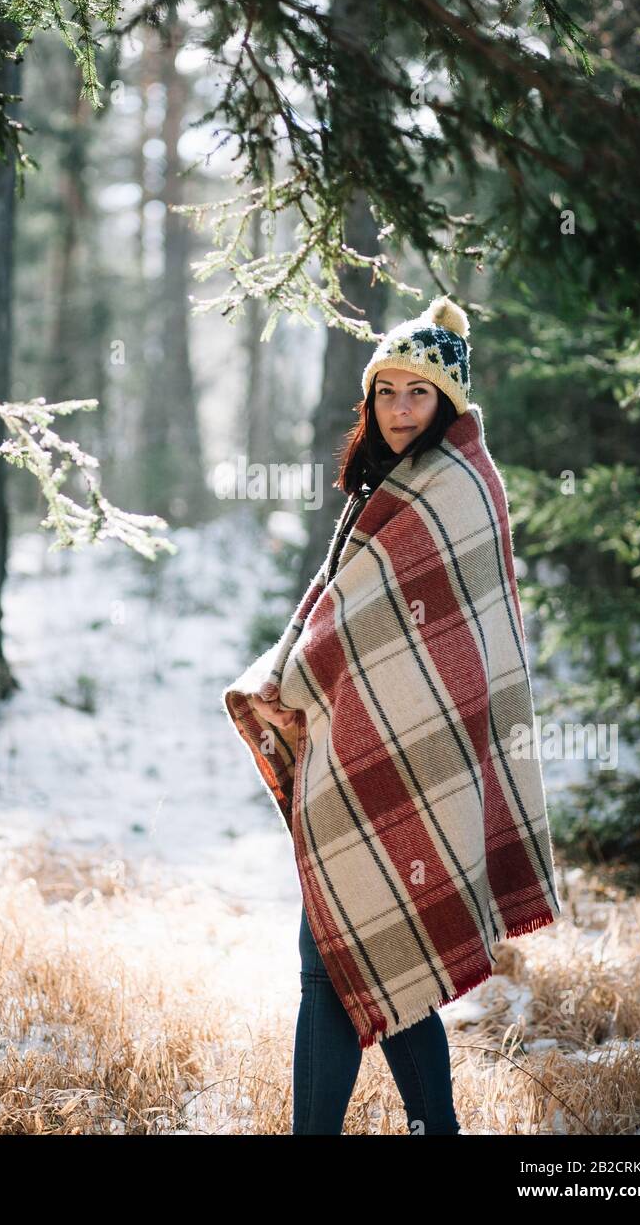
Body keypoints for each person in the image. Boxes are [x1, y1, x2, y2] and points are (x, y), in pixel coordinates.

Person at [249, 326, 466, 1135]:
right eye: (388, 392)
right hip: (348, 754)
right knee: (372, 961)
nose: (402, 409)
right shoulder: (376, 486)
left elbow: (433, 636)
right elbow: (336, 611)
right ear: (368, 401)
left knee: (341, 963)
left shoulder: (448, 488)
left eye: (420, 393)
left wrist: (302, 673)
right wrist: (291, 674)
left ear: (447, 400)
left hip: (415, 760)